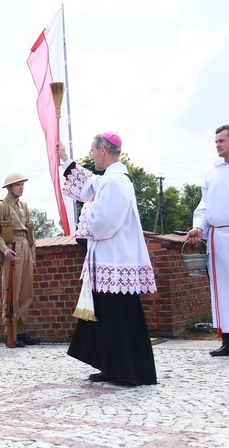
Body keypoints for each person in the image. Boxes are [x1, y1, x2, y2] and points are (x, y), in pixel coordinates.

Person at [59, 132, 157, 386]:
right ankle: (111, 366)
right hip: (107, 262)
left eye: (93, 151)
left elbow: (103, 222)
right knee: (107, 318)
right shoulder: (109, 179)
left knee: (119, 319)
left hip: (115, 261)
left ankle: (127, 371)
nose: (92, 157)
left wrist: (85, 219)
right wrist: (66, 161)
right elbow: (88, 185)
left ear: (103, 150)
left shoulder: (116, 182)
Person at [186, 124, 229, 357]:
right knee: (223, 291)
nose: (217, 144)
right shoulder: (213, 172)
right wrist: (198, 227)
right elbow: (204, 205)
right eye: (216, 141)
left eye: (222, 140)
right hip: (218, 237)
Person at [0, 172, 40, 347]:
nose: (21, 187)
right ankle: (10, 332)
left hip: (25, 247)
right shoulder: (2, 206)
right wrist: (4, 249)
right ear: (9, 187)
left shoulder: (24, 206)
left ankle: (21, 331)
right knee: (11, 291)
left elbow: (30, 233)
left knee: (26, 292)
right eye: (18, 184)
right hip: (13, 249)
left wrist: (32, 255)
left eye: (22, 184)